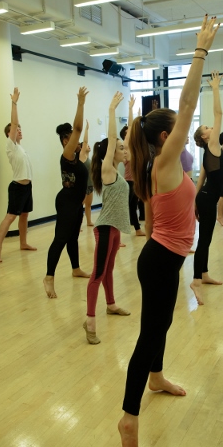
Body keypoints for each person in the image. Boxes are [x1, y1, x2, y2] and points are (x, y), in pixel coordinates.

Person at [118, 15, 220, 447]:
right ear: (167, 136)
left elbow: (139, 137)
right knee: (148, 334)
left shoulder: (162, 165)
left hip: (166, 258)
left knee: (163, 325)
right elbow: (188, 100)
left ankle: (157, 378)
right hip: (159, 260)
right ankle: (128, 418)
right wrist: (199, 51)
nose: (185, 128)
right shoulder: (162, 161)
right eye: (177, 127)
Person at [83, 92, 131, 345]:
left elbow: (124, 139)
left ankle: (110, 304)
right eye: (121, 148)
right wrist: (112, 110)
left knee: (110, 269)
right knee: (98, 273)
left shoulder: (118, 173)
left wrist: (132, 116)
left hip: (114, 230)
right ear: (111, 152)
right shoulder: (107, 169)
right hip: (103, 230)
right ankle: (90, 321)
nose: (124, 151)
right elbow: (113, 139)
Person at [43, 87, 90, 299]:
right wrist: (80, 103)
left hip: (75, 203)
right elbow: (78, 129)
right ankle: (49, 277)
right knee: (61, 238)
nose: (77, 141)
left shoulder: (76, 158)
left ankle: (75, 268)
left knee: (72, 237)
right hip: (66, 202)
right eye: (72, 138)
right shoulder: (67, 154)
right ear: (65, 141)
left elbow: (83, 137)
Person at [190, 70, 223, 306]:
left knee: (207, 239)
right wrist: (215, 88)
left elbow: (200, 179)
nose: (212, 128)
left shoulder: (208, 153)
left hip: (204, 198)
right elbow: (219, 113)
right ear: (204, 137)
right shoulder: (212, 146)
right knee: (204, 241)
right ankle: (195, 280)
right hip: (207, 200)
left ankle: (203, 274)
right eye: (207, 128)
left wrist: (193, 202)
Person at [0, 88, 37, 263]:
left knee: (24, 215)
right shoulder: (10, 145)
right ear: (9, 134)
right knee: (10, 217)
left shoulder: (21, 148)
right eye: (15, 129)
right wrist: (14, 103)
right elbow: (14, 121)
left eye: (19, 128)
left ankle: (23, 243)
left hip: (27, 187)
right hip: (17, 187)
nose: (18, 130)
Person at [120, 95, 145, 237]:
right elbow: (130, 127)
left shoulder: (133, 146)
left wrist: (139, 117)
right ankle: (135, 229)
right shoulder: (126, 146)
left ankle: (136, 228)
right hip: (129, 182)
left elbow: (136, 130)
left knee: (132, 205)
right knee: (129, 206)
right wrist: (130, 109)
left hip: (135, 181)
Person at [80, 121, 94, 227]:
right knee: (80, 206)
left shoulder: (89, 158)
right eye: (86, 146)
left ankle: (89, 221)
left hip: (90, 185)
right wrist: (87, 129)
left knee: (88, 205)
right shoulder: (82, 157)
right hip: (83, 186)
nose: (88, 146)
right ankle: (77, 224)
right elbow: (85, 141)